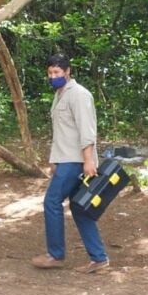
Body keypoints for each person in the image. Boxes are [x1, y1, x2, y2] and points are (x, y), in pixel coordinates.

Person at [31, 54, 109, 274]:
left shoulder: (80, 95)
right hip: (65, 158)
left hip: (76, 160)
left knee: (52, 201)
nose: (53, 76)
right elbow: (62, 132)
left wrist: (88, 161)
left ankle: (55, 255)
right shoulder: (59, 94)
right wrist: (54, 160)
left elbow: (87, 131)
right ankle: (99, 258)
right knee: (79, 207)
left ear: (67, 71)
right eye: (50, 73)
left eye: (57, 72)